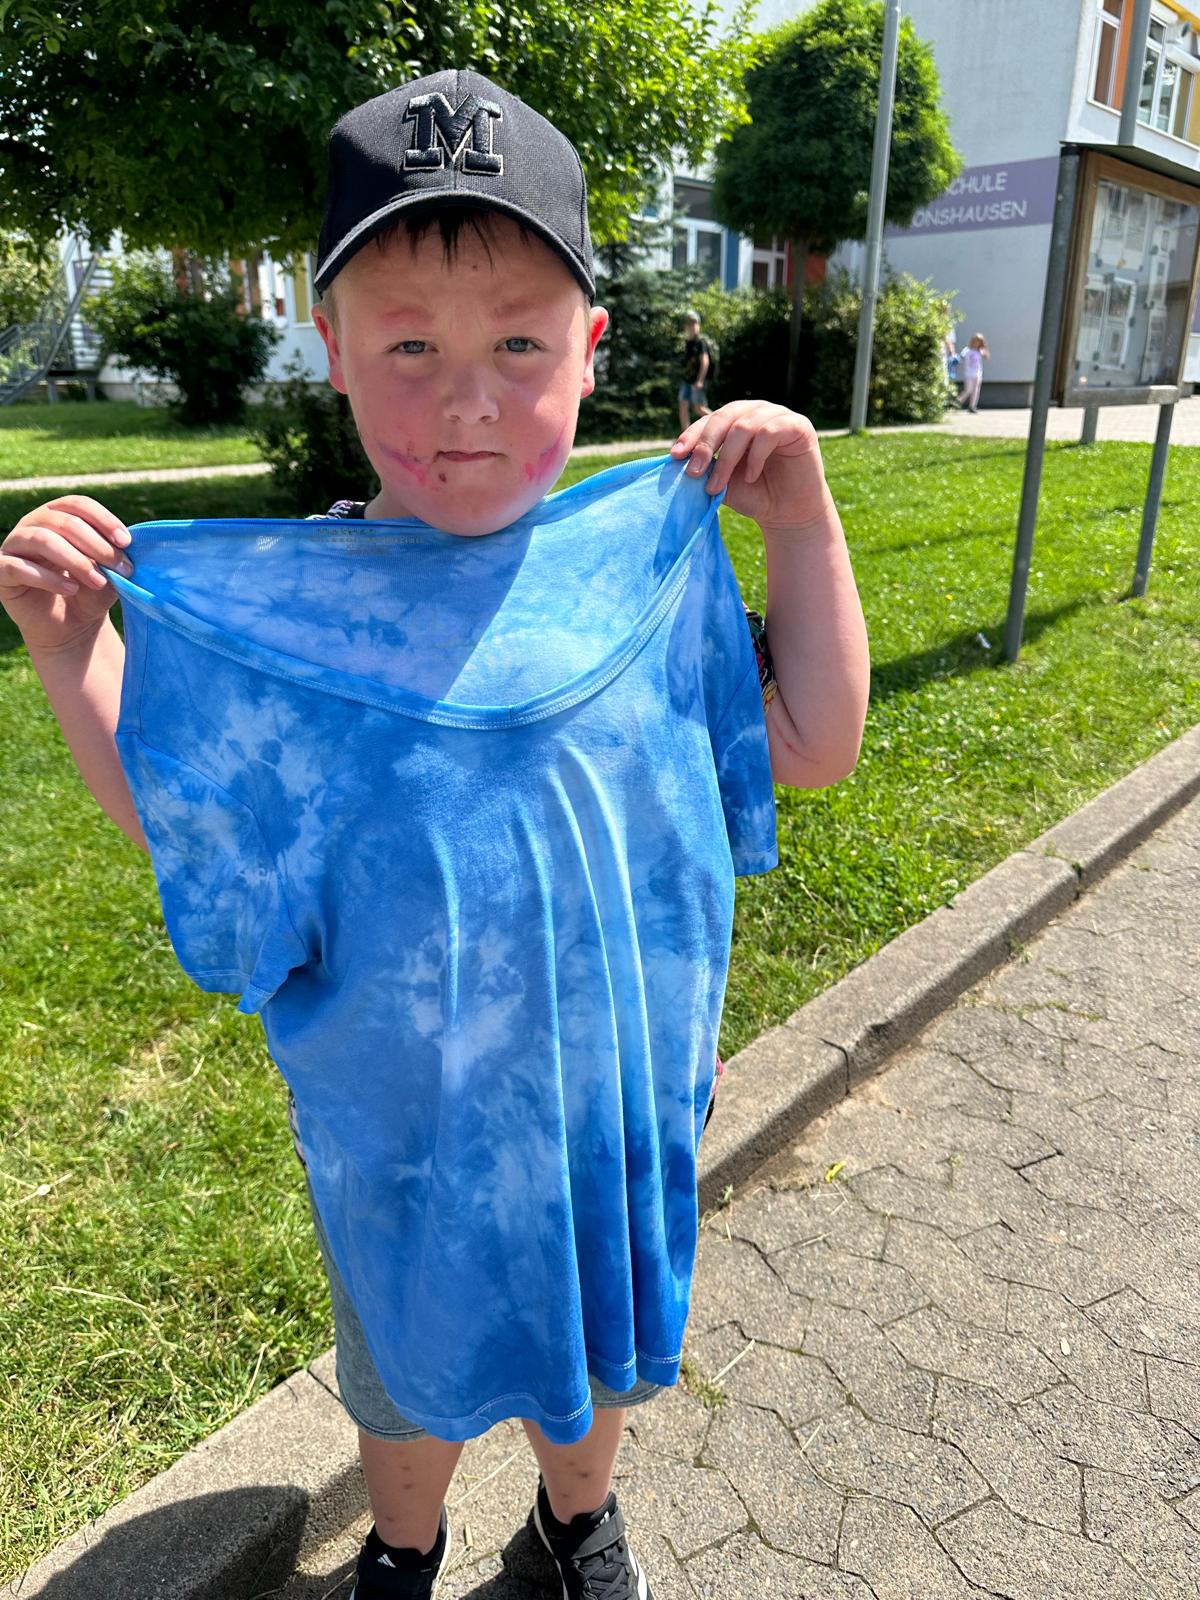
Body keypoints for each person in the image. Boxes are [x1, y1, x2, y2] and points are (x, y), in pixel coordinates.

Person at [0, 69, 869, 1600]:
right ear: (332, 348)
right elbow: (194, 824)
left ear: (591, 350)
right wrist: (78, 655)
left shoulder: (640, 575)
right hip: (402, 1143)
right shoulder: (291, 625)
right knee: (405, 1383)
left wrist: (800, 523)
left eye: (518, 345)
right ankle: (403, 1552)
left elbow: (813, 741)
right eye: (410, 346)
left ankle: (576, 1528)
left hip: (605, 1116)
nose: (468, 401)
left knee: (590, 1361)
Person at [677, 309, 714, 430]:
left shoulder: (701, 343)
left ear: (698, 325)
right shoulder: (688, 343)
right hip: (687, 380)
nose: (691, 326)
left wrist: (700, 381)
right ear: (684, 327)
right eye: (688, 324)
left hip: (697, 380)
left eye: (694, 323)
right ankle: (686, 435)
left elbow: (705, 361)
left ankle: (720, 424)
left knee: (698, 407)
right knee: (683, 405)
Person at [955, 331, 989, 413]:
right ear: (972, 341)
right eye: (975, 341)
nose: (976, 343)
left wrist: (984, 350)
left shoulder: (980, 351)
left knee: (976, 390)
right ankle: (958, 401)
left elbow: (986, 357)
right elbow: (961, 358)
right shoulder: (966, 350)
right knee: (968, 389)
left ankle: (972, 407)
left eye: (979, 342)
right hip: (968, 374)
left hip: (977, 373)